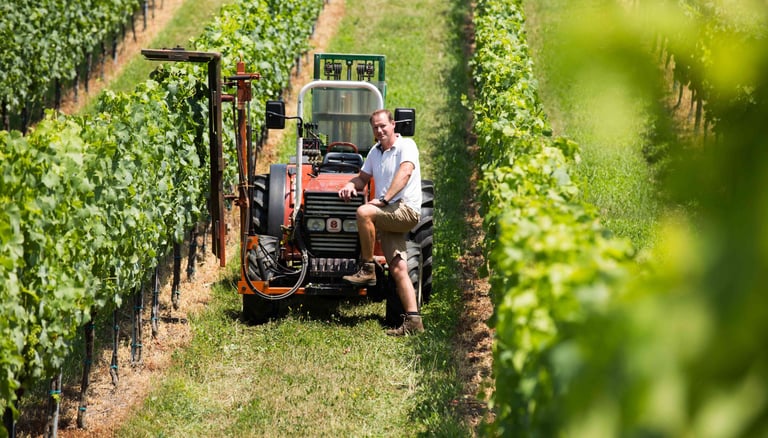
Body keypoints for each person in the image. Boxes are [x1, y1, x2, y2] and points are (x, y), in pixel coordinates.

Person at [338, 109, 424, 336]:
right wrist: (350, 184)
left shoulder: (407, 146)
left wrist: (383, 199)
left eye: (383, 125)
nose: (379, 130)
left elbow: (405, 173)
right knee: (398, 267)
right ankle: (414, 321)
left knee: (364, 212)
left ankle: (367, 267)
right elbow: (363, 178)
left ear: (393, 124)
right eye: (375, 127)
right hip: (389, 213)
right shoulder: (375, 153)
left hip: (404, 210)